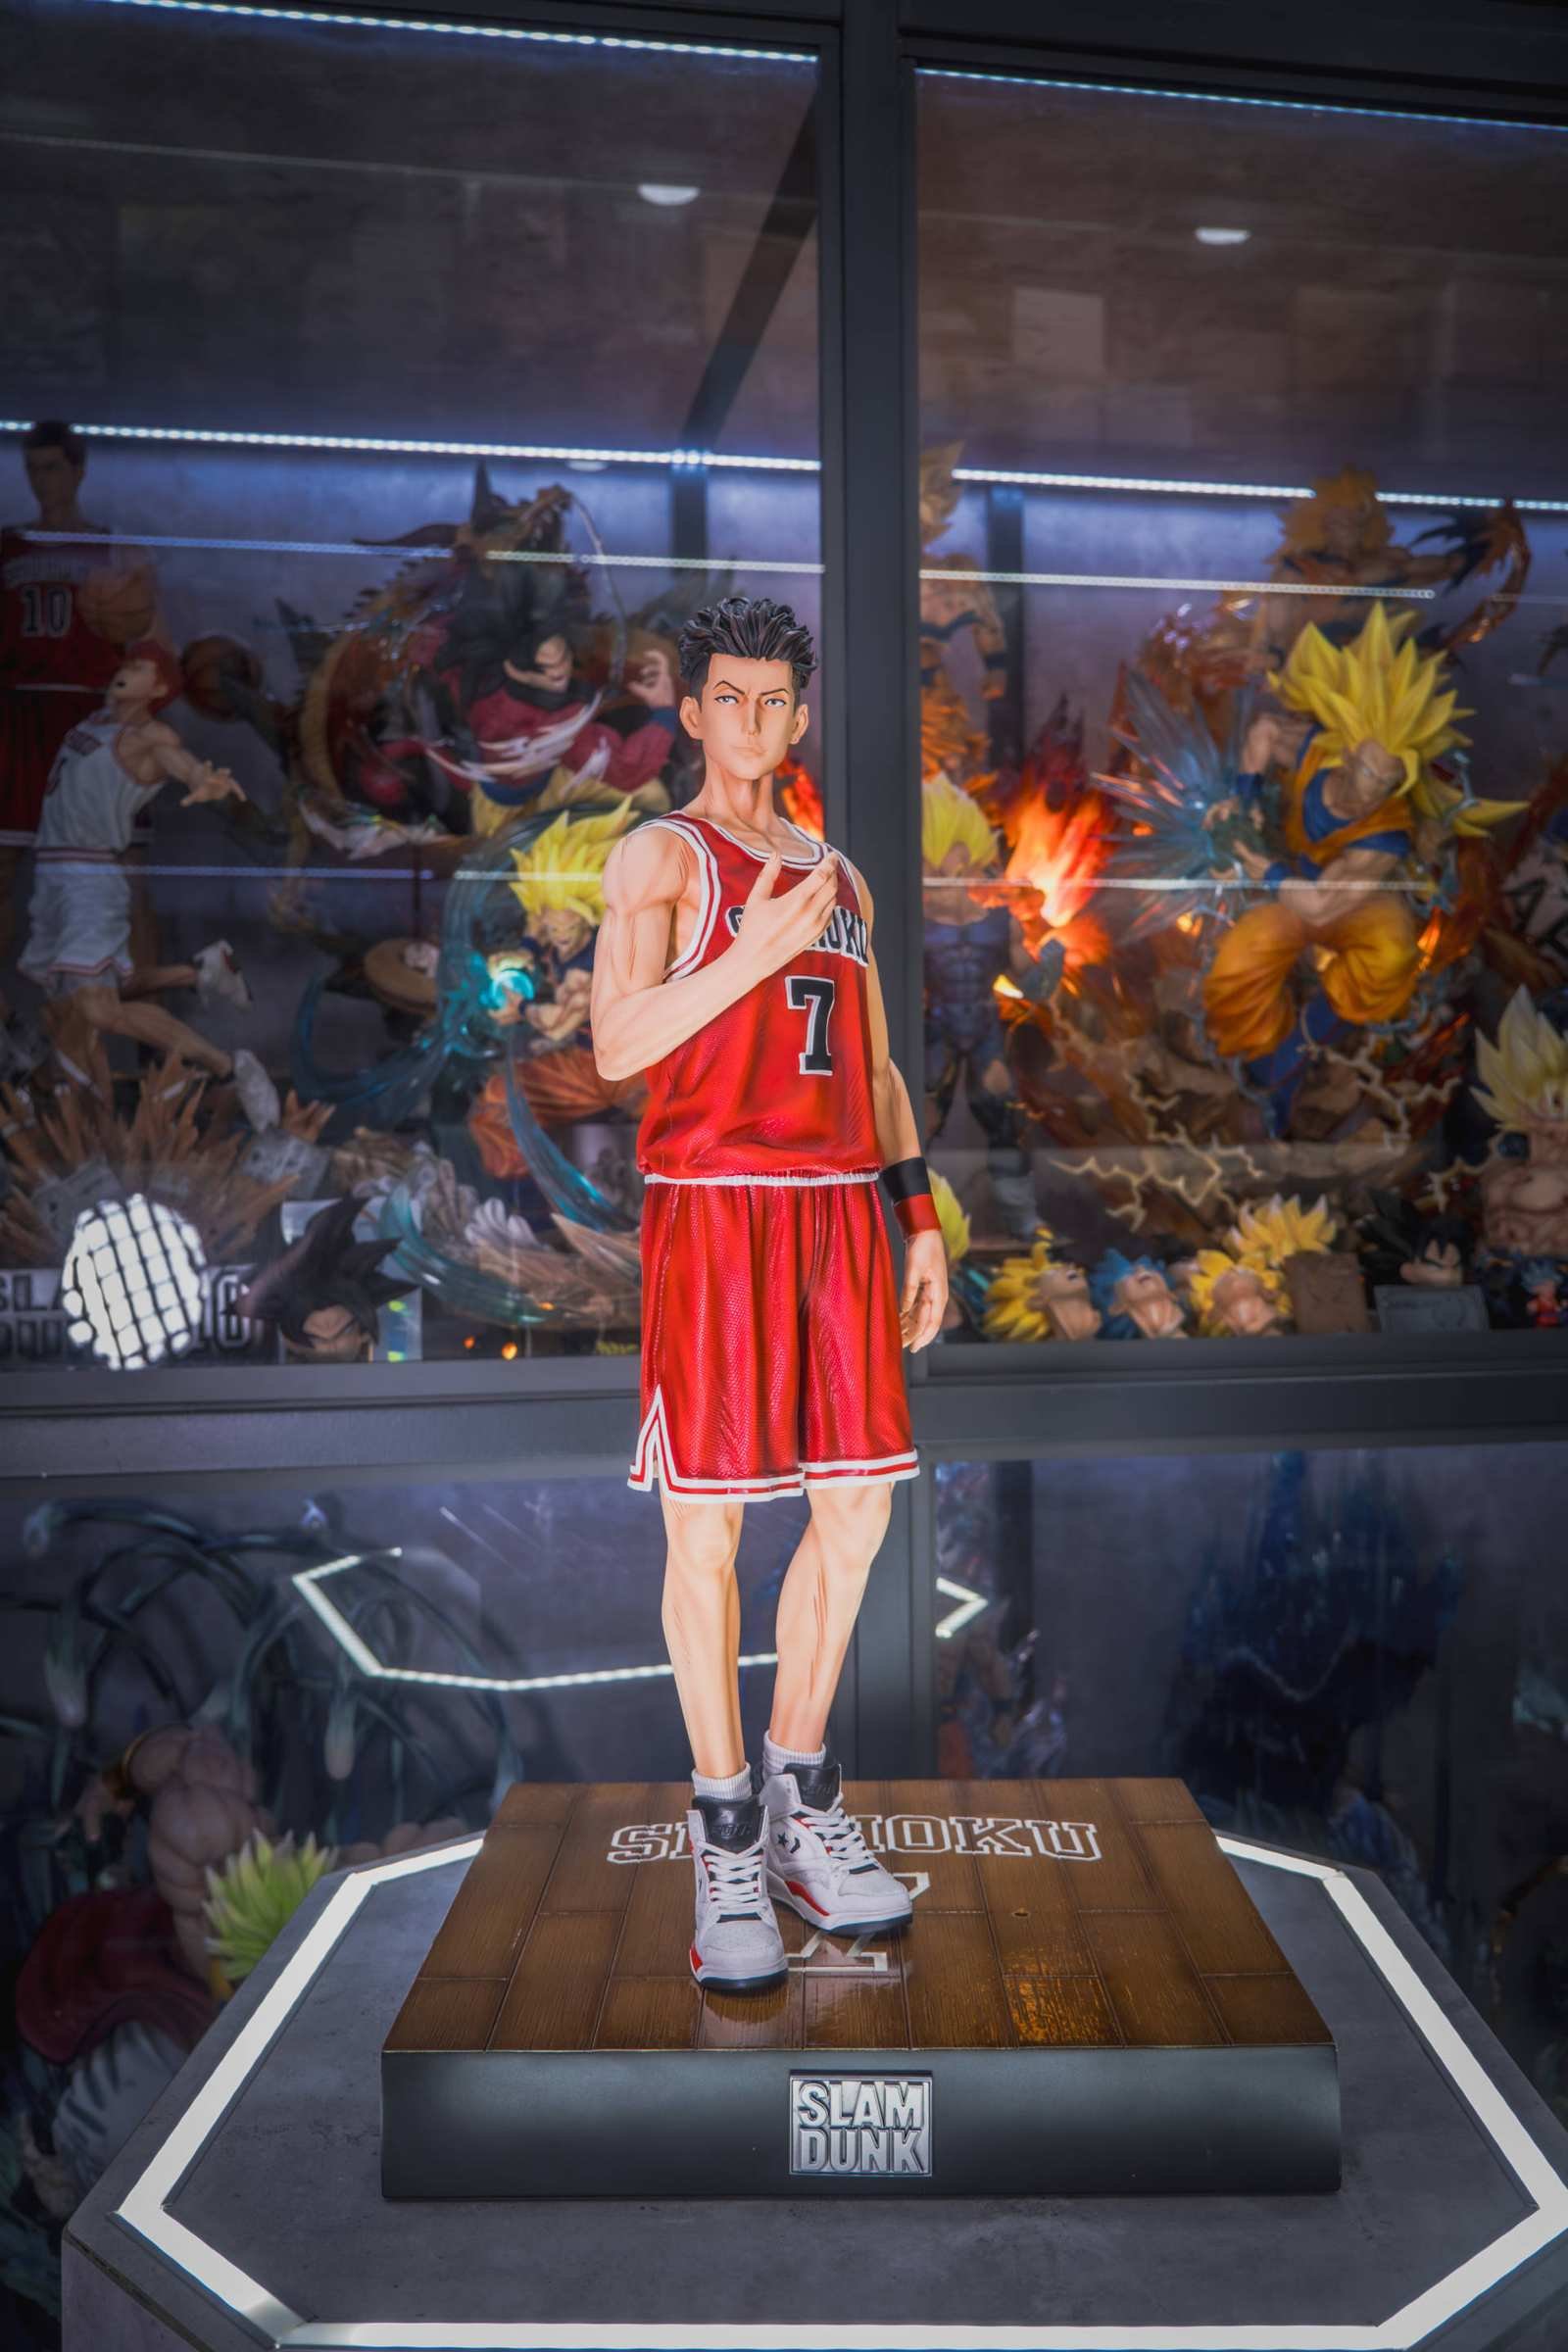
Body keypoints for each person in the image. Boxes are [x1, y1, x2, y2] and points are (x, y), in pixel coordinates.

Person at [591, 595, 948, 1993]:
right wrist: (750, 949)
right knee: (709, 1531)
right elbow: (616, 1044)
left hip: (842, 1216)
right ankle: (724, 1834)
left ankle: (801, 1802)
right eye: (725, 698)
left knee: (856, 1513)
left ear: (800, 715)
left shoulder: (838, 875)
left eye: (773, 701)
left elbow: (876, 1066)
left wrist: (919, 1218)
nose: (750, 721)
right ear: (691, 712)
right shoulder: (661, 855)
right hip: (718, 1212)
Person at [20, 642, 277, 1125]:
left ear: (158, 689)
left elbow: (176, 760)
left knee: (98, 1010)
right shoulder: (96, 722)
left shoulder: (149, 737)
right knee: (68, 1009)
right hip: (53, 872)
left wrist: (201, 778)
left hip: (88, 877)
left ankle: (229, 1066)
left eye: (138, 668)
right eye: (125, 663)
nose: (125, 670)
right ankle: (202, 970)